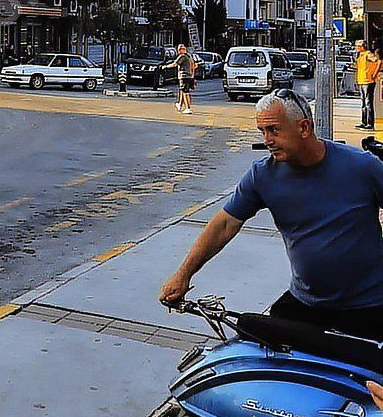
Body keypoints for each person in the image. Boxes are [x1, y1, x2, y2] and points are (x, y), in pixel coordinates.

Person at [159, 87, 383, 342]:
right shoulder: (263, 175)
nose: (267, 140)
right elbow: (225, 224)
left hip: (370, 306)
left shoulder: (362, 166)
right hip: (306, 303)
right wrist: (183, 274)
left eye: (274, 130)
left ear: (304, 128)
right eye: (262, 131)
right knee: (257, 347)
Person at [355, 38, 381, 130]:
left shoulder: (368, 54)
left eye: (357, 46)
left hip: (368, 81)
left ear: (362, 47)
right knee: (363, 103)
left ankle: (370, 124)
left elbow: (379, 62)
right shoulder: (360, 55)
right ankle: (364, 122)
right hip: (362, 80)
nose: (356, 48)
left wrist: (374, 74)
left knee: (368, 102)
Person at [165, 43, 198, 114]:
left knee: (185, 92)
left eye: (178, 50)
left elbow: (175, 64)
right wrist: (191, 73)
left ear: (181, 50)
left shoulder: (182, 56)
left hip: (184, 76)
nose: (178, 52)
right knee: (182, 91)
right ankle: (180, 104)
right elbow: (195, 65)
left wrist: (165, 67)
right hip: (190, 76)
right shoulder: (189, 56)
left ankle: (188, 108)